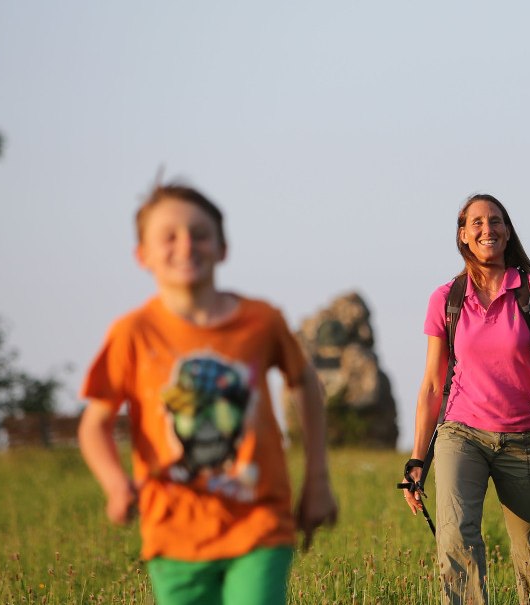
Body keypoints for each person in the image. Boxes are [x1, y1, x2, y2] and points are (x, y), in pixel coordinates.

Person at [78, 182, 338, 605]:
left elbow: (305, 383)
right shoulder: (133, 333)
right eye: (169, 236)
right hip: (172, 531)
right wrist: (114, 484)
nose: (186, 245)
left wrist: (318, 480)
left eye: (200, 234)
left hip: (259, 520)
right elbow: (95, 425)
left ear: (223, 247)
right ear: (141, 255)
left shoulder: (261, 321)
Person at [402, 194, 530, 604]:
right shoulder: (446, 298)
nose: (486, 229)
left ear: (508, 231)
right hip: (463, 433)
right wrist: (417, 459)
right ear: (462, 234)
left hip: (527, 436)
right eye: (476, 222)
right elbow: (430, 385)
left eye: (495, 221)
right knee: (457, 538)